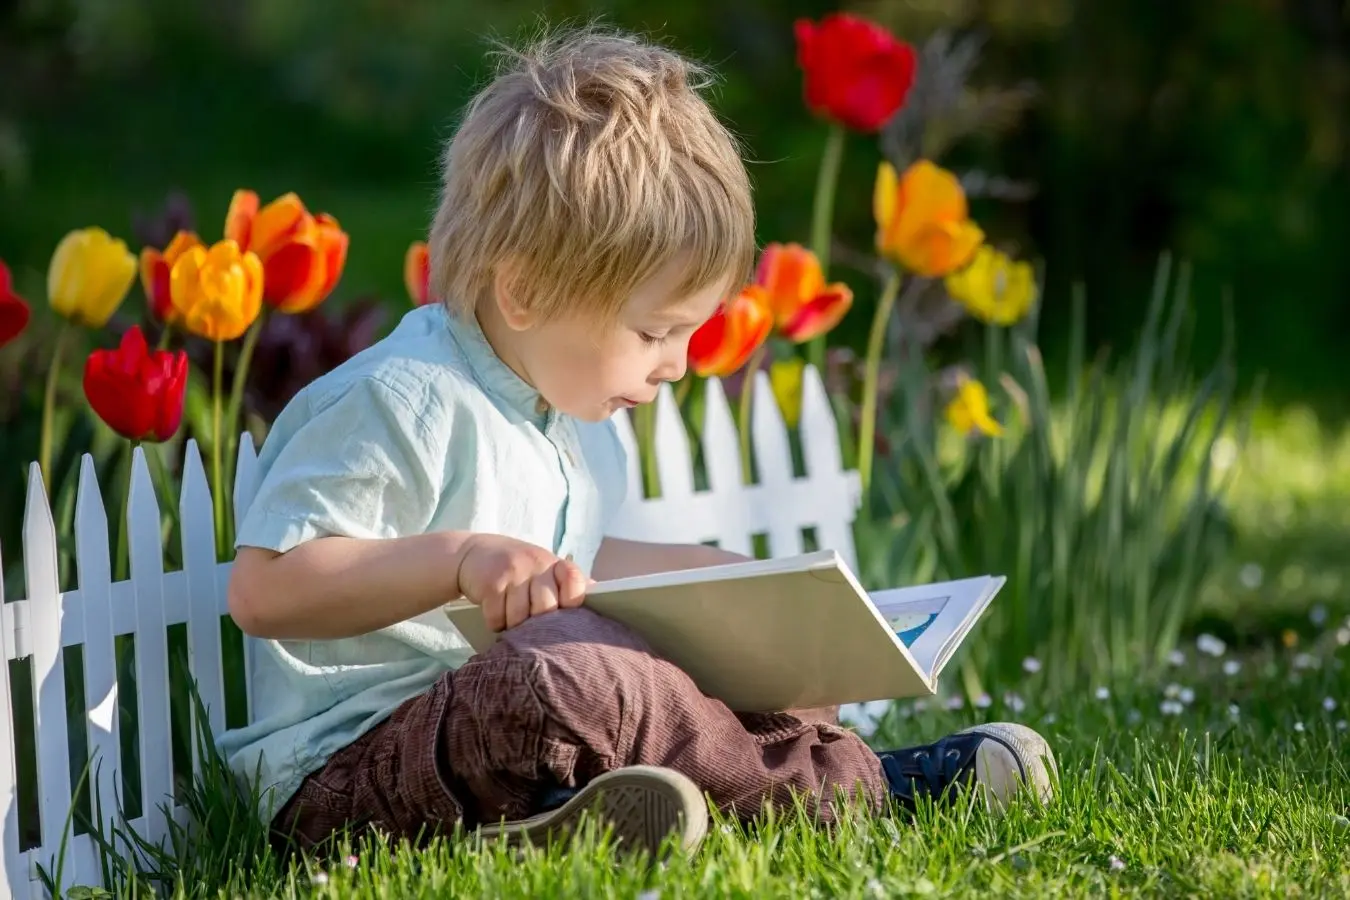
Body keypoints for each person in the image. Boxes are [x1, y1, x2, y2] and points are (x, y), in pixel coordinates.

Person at [217, 26, 1057, 861]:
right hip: (348, 779)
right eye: (656, 330)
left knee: (727, 663)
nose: (679, 366)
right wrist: (459, 557)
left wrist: (736, 593)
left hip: (494, 753)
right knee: (577, 675)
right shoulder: (403, 400)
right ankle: (869, 790)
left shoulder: (569, 419)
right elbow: (265, 589)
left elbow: (577, 561)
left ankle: (560, 824)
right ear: (526, 290)